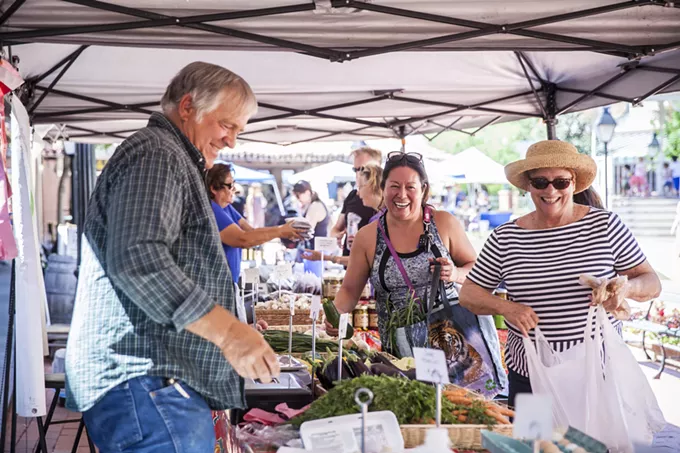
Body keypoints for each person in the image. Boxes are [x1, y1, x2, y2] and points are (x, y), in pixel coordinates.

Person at [65, 62, 281, 453]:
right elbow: (139, 259)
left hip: (150, 382)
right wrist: (230, 334)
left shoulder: (168, 155)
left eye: (238, 130)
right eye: (226, 125)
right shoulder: (157, 153)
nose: (231, 141)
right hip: (148, 379)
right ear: (187, 107)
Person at [459, 140, 661, 409]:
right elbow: (469, 293)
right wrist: (505, 307)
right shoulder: (506, 238)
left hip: (597, 372)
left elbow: (652, 282)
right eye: (540, 182)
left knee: (593, 448)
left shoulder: (606, 225)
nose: (550, 190)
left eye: (561, 182)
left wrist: (625, 288)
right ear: (529, 186)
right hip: (530, 375)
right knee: (533, 447)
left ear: (574, 183)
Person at [326, 152, 507, 396]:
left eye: (410, 187)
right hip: (402, 356)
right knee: (416, 414)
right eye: (394, 186)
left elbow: (476, 267)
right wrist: (334, 315)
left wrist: (454, 272)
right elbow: (349, 290)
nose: (401, 195)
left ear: (423, 190)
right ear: (383, 188)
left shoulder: (443, 223)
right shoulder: (368, 237)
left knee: (464, 414)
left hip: (455, 344)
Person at [206, 163, 305, 323]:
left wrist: (286, 233)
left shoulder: (227, 208)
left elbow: (251, 232)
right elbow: (242, 239)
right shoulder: (212, 209)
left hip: (230, 284)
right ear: (213, 188)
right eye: (230, 185)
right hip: (217, 287)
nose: (235, 189)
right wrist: (280, 230)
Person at [303, 164, 384, 267]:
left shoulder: (382, 219)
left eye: (360, 188)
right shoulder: (379, 217)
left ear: (371, 186)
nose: (358, 194)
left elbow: (367, 259)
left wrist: (326, 257)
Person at [330, 147, 382, 254]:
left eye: (363, 169)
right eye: (355, 169)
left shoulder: (386, 202)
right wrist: (337, 235)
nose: (358, 174)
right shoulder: (352, 196)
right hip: (349, 260)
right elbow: (336, 228)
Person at [293, 180, 330, 249]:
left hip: (317, 251)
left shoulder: (315, 206)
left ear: (307, 193)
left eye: (298, 195)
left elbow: (307, 229)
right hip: (316, 249)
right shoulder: (312, 205)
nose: (297, 199)